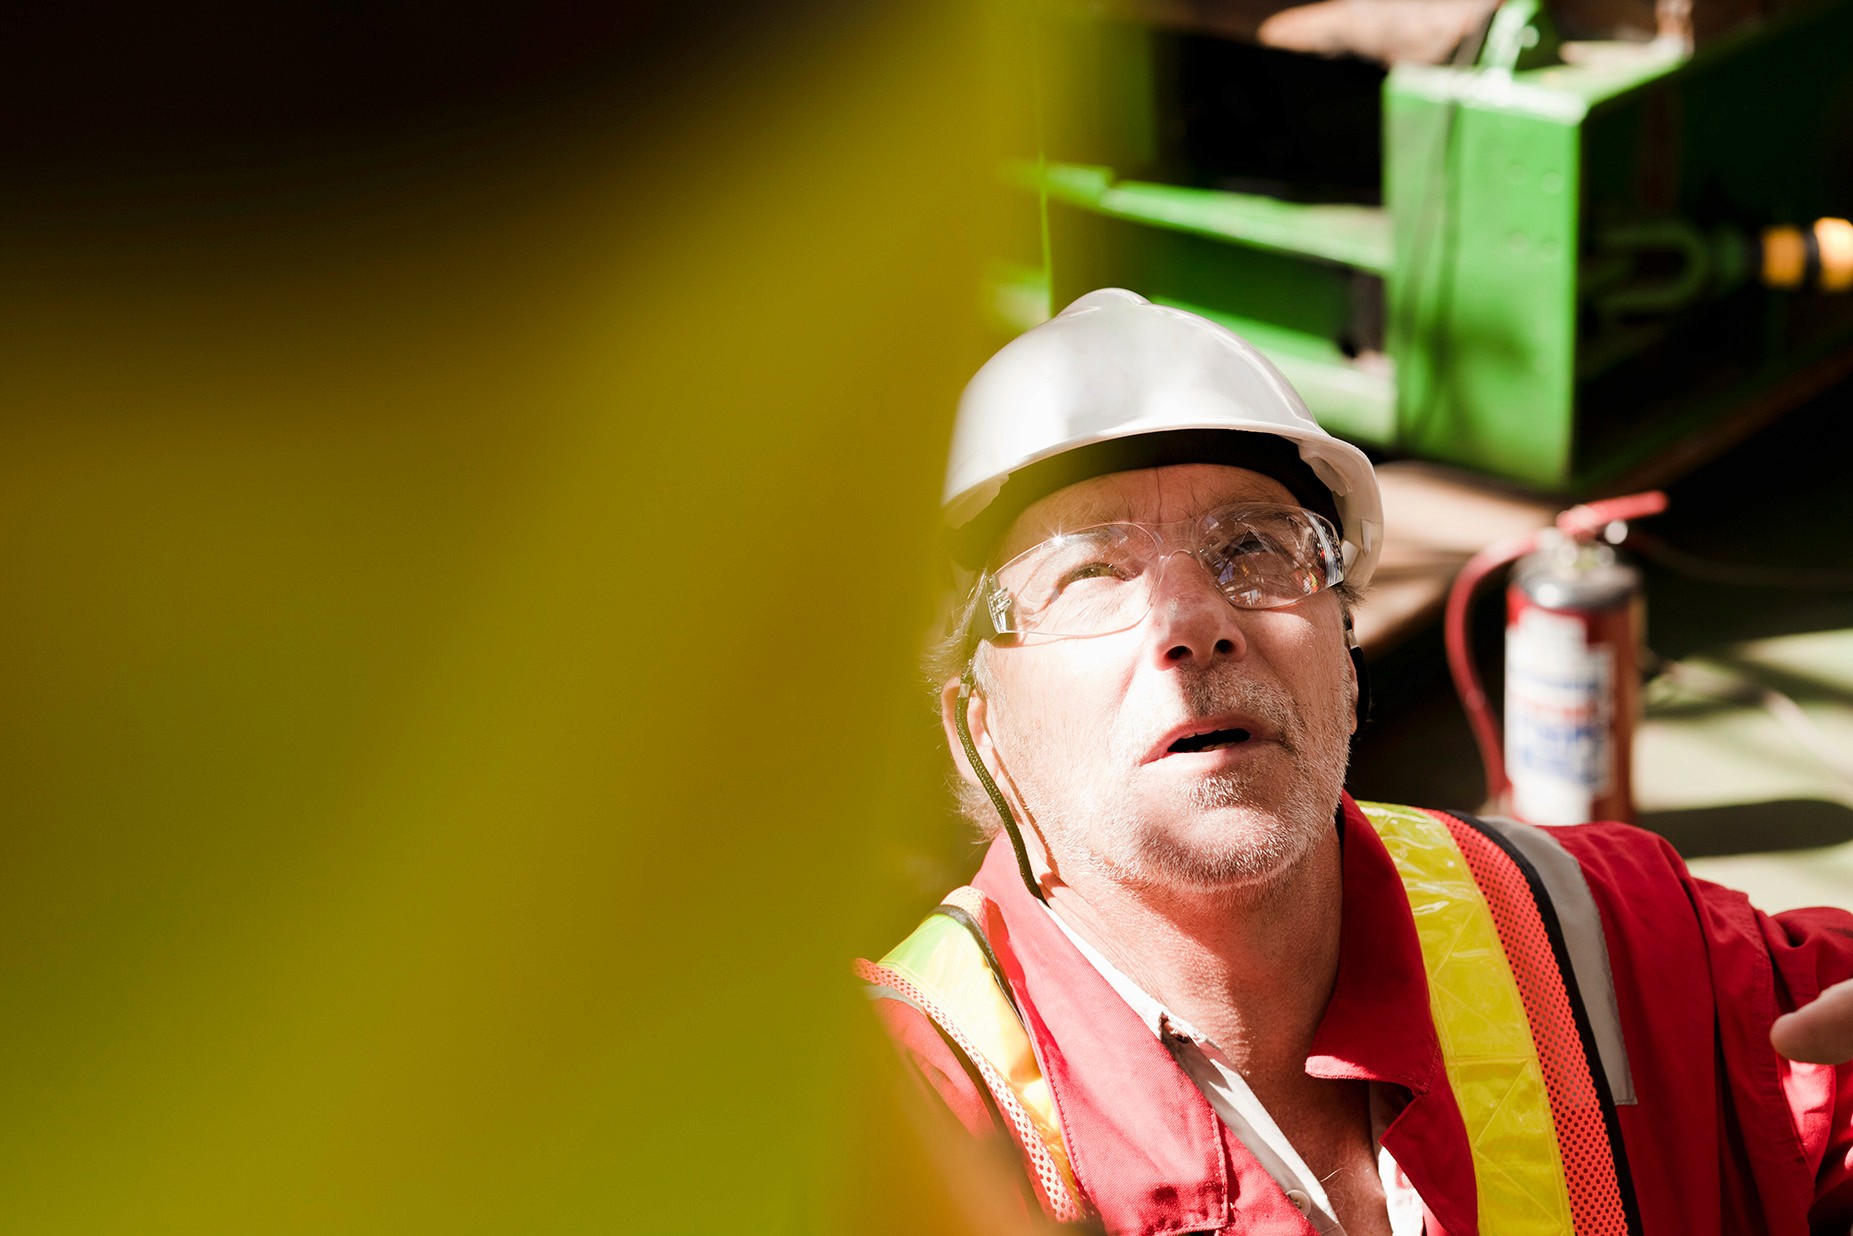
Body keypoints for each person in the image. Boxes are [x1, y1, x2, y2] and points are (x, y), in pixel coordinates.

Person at [858, 288, 1853, 1235]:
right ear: (975, 727)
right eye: (1086, 574)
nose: (1192, 624)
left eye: (1253, 548)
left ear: (1341, 652)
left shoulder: (1606, 936)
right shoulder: (897, 1110)